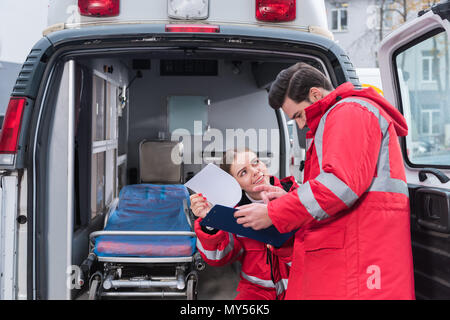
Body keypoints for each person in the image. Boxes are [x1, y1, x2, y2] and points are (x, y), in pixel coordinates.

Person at [234, 62, 415, 299]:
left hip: (361, 260)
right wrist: (289, 199)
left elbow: (338, 186)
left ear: (315, 94)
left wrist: (274, 213)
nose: (300, 124)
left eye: (298, 115)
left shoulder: (348, 112)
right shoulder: (340, 117)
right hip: (355, 252)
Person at [190, 148, 298, 300]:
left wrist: (284, 213)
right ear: (235, 184)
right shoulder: (234, 214)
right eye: (243, 172)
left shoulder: (297, 195)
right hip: (257, 292)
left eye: (256, 162)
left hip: (301, 286)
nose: (255, 171)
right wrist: (210, 221)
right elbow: (218, 257)